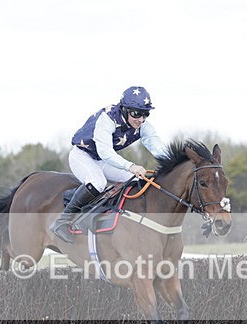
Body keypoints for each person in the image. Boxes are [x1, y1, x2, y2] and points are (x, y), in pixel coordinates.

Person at [49, 86, 169, 244]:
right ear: (125, 109)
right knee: (98, 183)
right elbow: (105, 152)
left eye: (145, 114)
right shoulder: (107, 119)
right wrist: (131, 166)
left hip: (102, 160)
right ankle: (61, 222)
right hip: (82, 155)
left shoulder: (143, 125)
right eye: (136, 113)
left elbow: (157, 147)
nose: (141, 119)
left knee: (136, 180)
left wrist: (174, 163)